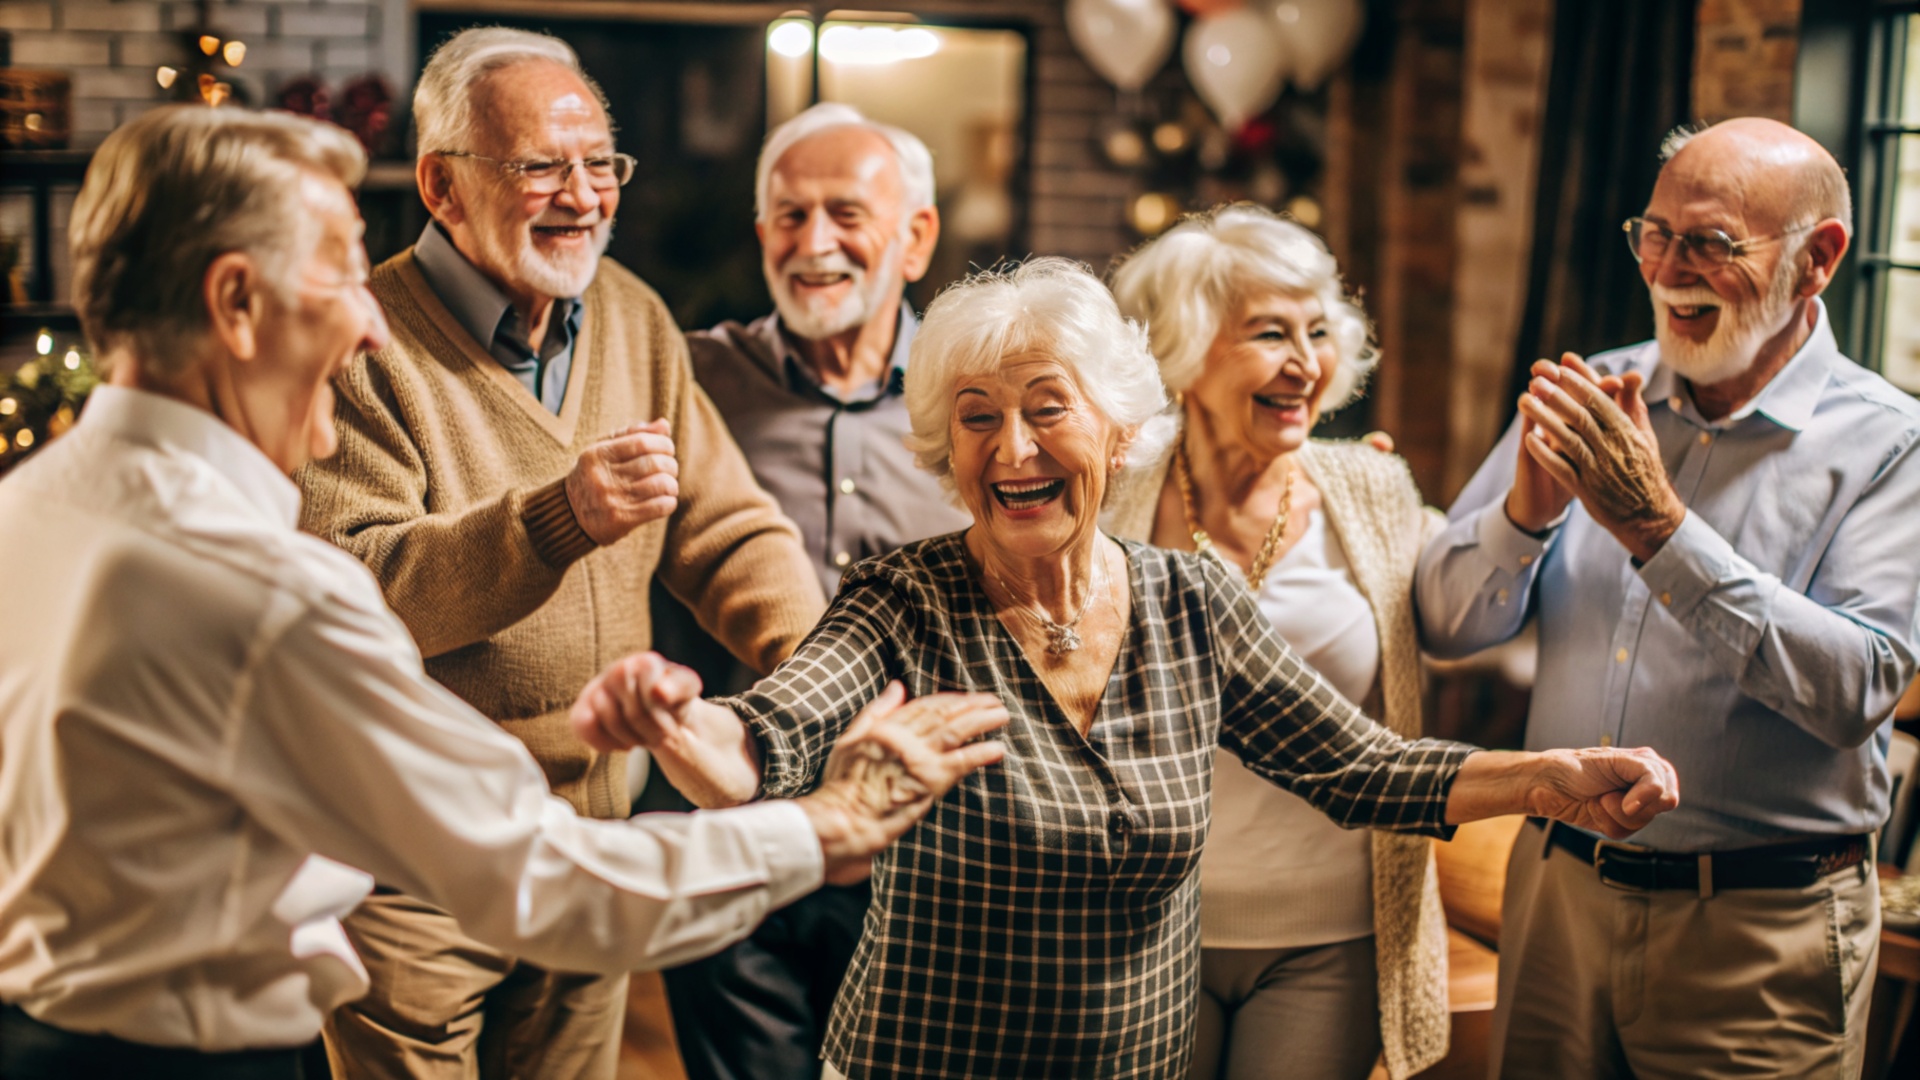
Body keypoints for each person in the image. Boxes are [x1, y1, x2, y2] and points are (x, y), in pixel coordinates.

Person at [0, 104, 1007, 1080]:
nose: (368, 323)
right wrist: (830, 824)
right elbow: (535, 874)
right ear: (235, 302)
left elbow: (725, 527)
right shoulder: (260, 589)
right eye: (344, 274)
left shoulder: (28, 506)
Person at [573, 258, 1682, 1078]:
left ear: (1116, 433)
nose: (1012, 451)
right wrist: (678, 725)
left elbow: (1363, 769)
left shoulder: (1190, 603)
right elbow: (765, 744)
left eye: (1047, 410)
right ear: (945, 451)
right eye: (976, 420)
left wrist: (1545, 781)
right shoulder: (900, 600)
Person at [293, 29, 831, 1079]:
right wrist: (555, 520)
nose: (581, 197)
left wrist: (823, 669)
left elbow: (726, 528)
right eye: (541, 166)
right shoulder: (364, 341)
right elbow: (355, 592)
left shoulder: (633, 316)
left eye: (601, 166)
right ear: (443, 185)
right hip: (416, 863)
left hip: (590, 838)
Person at [1416, 117, 1920, 1078]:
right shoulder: (1598, 393)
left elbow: (1856, 692)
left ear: (1817, 260)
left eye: (1713, 244)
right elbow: (1445, 624)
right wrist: (1523, 517)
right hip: (1556, 899)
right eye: (1654, 234)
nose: (1669, 270)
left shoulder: (1893, 446)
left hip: (1756, 935)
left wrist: (1659, 530)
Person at [654, 102, 972, 1080]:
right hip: (732, 822)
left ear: (915, 238)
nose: (814, 242)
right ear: (761, 238)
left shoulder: (979, 399)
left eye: (845, 212)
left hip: (929, 840)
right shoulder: (688, 382)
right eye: (789, 217)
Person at [1106, 205, 1449, 1080]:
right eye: (1270, 334)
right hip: (1135, 928)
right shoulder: (1110, 493)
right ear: (1183, 347)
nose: (1307, 364)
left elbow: (1469, 602)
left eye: (1319, 331)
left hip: (1328, 934)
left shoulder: (1371, 488)